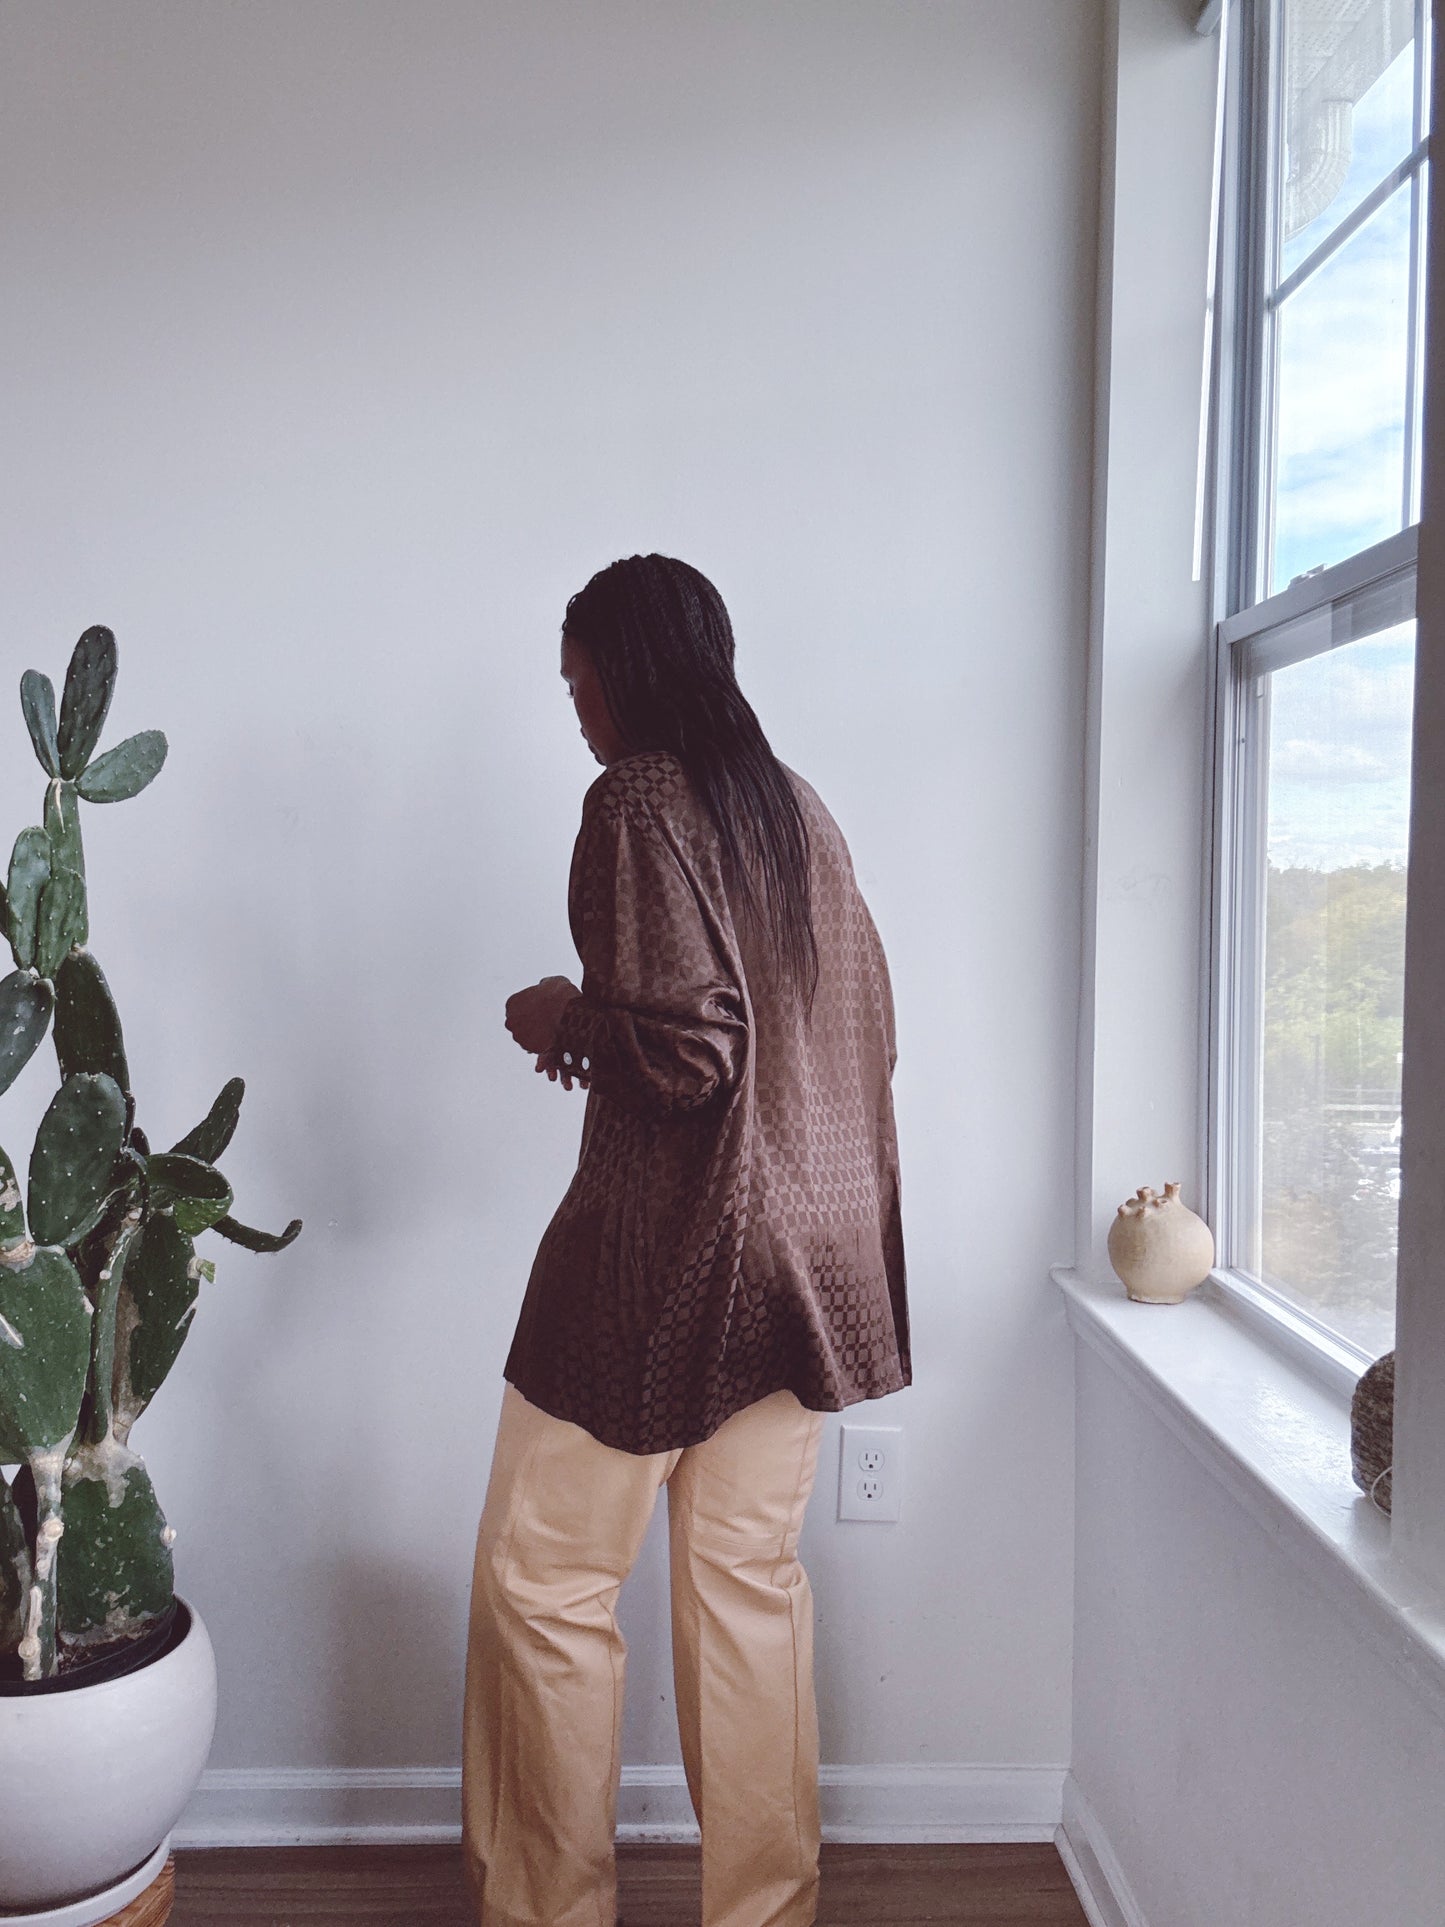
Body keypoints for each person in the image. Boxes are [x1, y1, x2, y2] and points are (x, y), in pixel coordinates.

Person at [461, 553, 910, 1927]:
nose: (577, 713)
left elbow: (693, 1054)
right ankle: (765, 1912)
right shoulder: (796, 809)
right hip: (810, 1265)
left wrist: (562, 1019)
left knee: (541, 1583)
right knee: (745, 1590)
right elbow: (853, 1035)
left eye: (581, 682)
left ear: (629, 669)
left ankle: (549, 1912)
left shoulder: (639, 795)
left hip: (664, 1260)